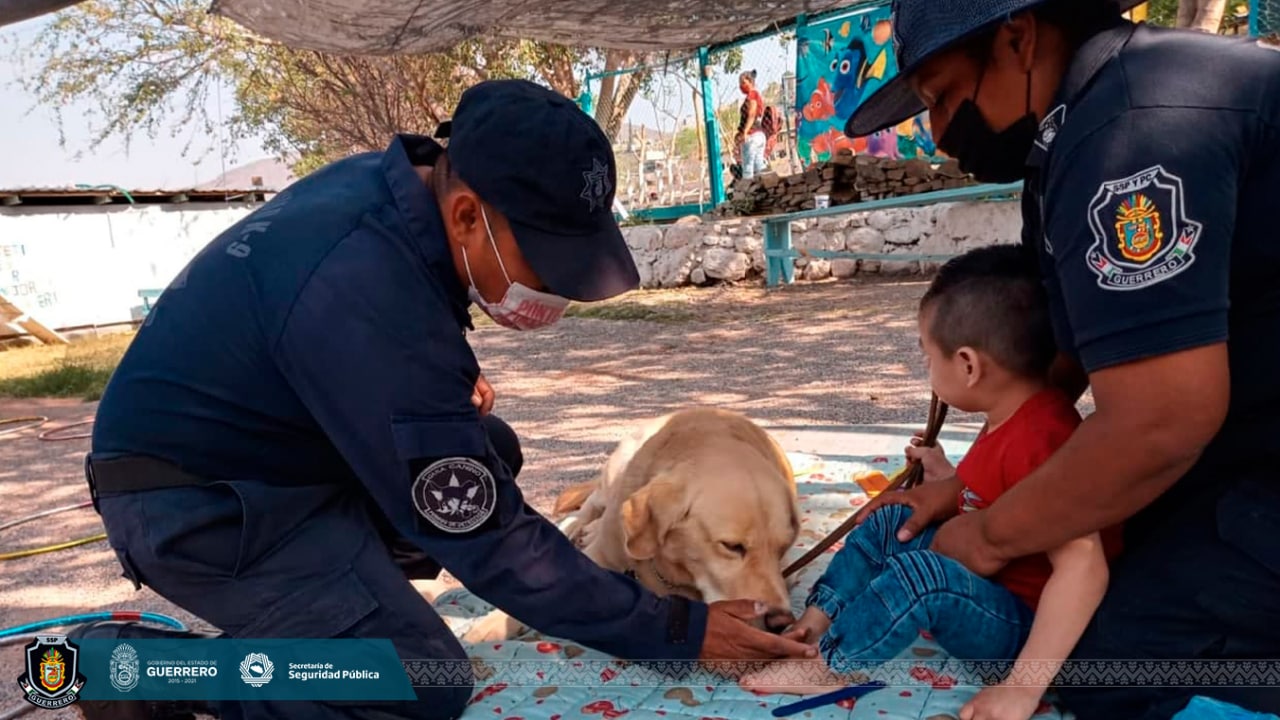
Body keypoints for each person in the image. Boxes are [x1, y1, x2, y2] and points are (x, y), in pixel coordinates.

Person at [75, 79, 814, 720]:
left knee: (490, 455)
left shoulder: (390, 202)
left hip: (271, 464)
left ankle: (335, 608)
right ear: (467, 217)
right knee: (416, 674)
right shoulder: (364, 284)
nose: (556, 292)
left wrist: (429, 397)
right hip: (200, 508)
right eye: (549, 264)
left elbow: (379, 387)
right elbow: (490, 539)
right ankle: (141, 670)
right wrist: (677, 629)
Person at [842, 0, 1280, 717]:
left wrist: (987, 535)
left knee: (1096, 667)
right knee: (1087, 560)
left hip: (1244, 457)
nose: (940, 132)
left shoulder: (1132, 130)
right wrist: (968, 488)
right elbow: (1057, 369)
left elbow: (1161, 421)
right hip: (1241, 442)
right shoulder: (1069, 141)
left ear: (1017, 38)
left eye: (944, 96)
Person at [741, 245, 1120, 720]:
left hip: (1022, 626)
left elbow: (1084, 567)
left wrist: (1022, 689)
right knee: (893, 518)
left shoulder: (1040, 438)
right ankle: (815, 625)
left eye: (926, 355)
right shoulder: (1013, 411)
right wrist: (946, 476)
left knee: (921, 576)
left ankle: (830, 665)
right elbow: (997, 492)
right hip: (990, 582)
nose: (927, 369)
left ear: (967, 365)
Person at [734, 70, 769, 179]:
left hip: (751, 136)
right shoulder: (755, 95)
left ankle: (748, 193)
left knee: (748, 168)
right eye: (740, 83)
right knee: (759, 166)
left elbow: (752, 114)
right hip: (759, 135)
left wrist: (744, 132)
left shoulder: (752, 95)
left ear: (750, 81)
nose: (741, 86)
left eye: (743, 82)